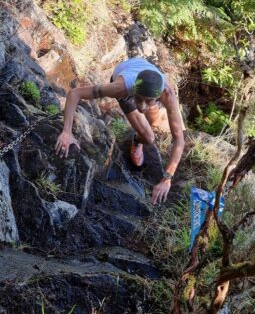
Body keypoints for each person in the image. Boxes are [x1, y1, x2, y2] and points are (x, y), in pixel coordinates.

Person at [54, 57, 186, 204]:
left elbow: (179, 140)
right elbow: (75, 93)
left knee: (154, 122)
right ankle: (137, 140)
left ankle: (145, 120)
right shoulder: (120, 88)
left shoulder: (167, 93)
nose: (142, 107)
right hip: (126, 75)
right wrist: (67, 132)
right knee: (149, 137)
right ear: (134, 91)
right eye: (139, 99)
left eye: (148, 101)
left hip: (145, 71)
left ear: (159, 96)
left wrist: (167, 179)